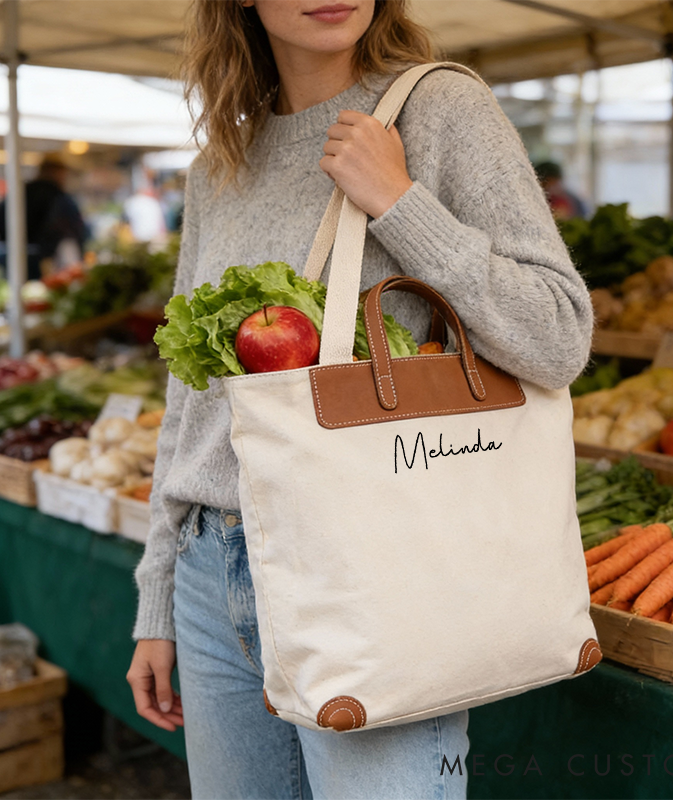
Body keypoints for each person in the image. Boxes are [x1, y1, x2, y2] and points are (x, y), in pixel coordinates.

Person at [127, 1, 593, 798]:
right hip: (212, 568)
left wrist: (400, 202)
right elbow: (191, 400)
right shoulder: (222, 163)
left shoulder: (442, 108)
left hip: (375, 571)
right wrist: (159, 598)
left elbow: (557, 338)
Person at [0, 154, 87, 281]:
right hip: (46, 262)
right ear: (57, 172)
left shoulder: (21, 191)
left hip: (12, 257)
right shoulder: (58, 197)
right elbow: (71, 230)